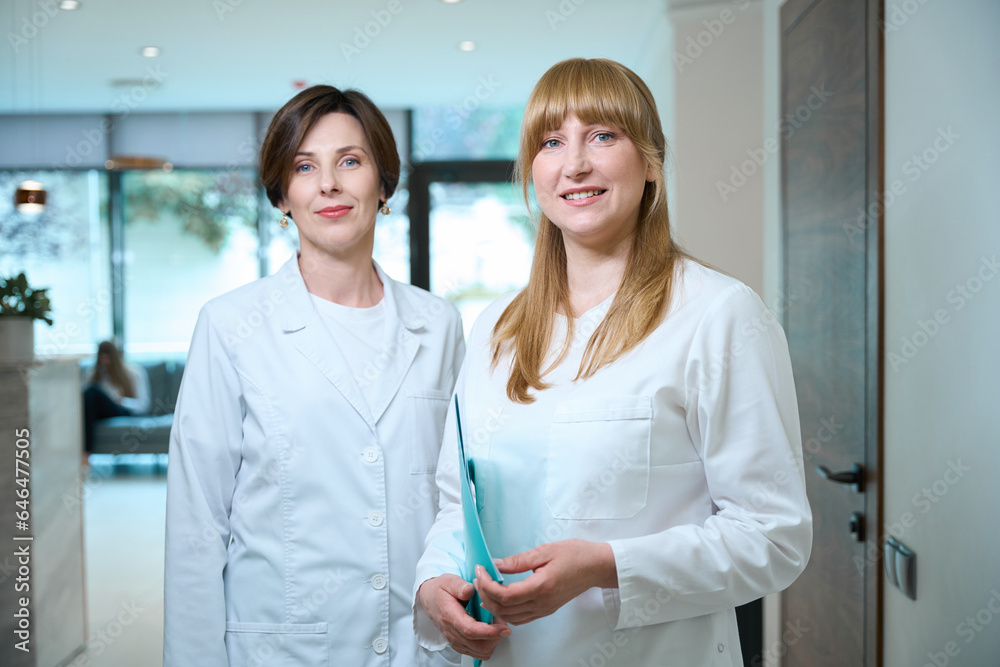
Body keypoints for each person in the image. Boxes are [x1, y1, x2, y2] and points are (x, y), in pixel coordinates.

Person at [413, 58, 813, 666]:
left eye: (603, 135)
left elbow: (774, 536)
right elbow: (456, 503)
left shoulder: (718, 315)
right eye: (551, 142)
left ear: (651, 162)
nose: (575, 163)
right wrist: (433, 585)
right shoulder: (497, 327)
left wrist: (606, 566)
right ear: (532, 172)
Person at [164, 85, 464, 666]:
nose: (329, 183)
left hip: (419, 645)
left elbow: (455, 497)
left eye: (350, 161)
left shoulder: (439, 324)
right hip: (284, 650)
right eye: (305, 166)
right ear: (282, 195)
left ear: (383, 184)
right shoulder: (231, 326)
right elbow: (197, 524)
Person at [83, 339, 151, 452]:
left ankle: (86, 452)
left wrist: (122, 401)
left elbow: (144, 405)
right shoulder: (94, 374)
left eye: (108, 360)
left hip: (123, 410)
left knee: (92, 391)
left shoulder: (134, 372)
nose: (105, 364)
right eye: (102, 360)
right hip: (101, 412)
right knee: (89, 394)